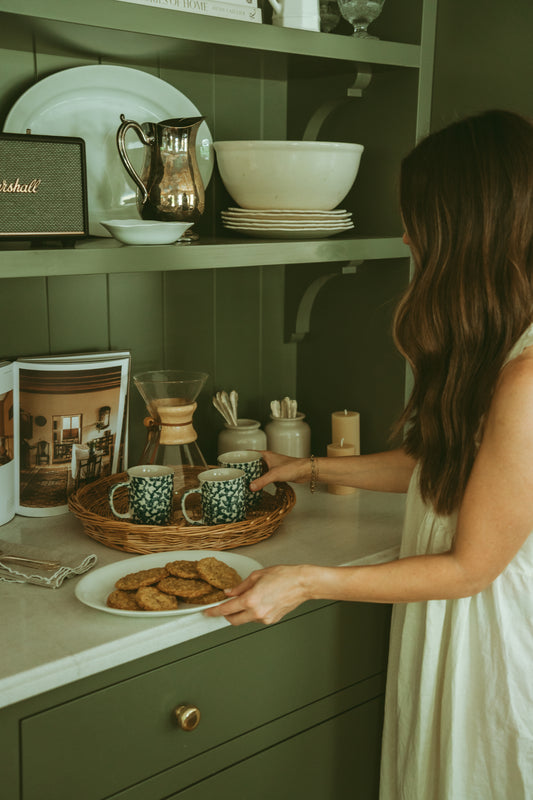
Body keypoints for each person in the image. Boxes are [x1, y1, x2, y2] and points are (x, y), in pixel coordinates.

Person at [206, 109, 533, 799]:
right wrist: (309, 467)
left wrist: (306, 580)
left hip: (494, 644)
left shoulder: (527, 378)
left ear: (466, 228)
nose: (409, 236)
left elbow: (470, 569)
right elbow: (446, 464)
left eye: (419, 218)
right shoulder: (504, 343)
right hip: (459, 627)